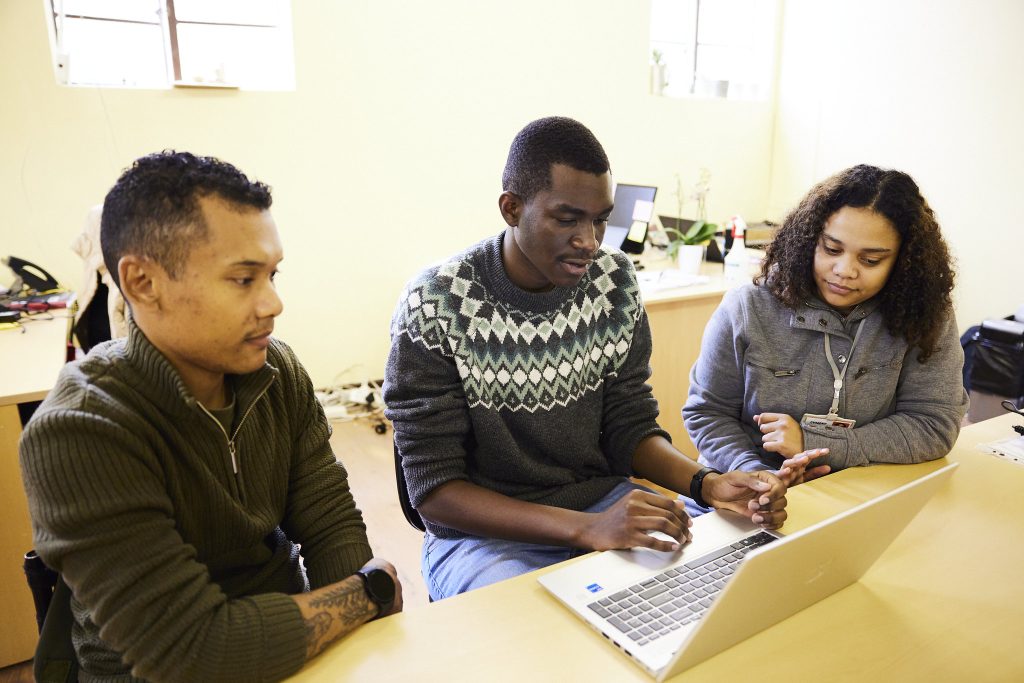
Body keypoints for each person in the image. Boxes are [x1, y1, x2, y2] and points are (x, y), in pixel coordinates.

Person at [383, 116, 814, 601]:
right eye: (567, 219)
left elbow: (629, 426)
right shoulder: (437, 302)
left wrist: (706, 484)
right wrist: (586, 529)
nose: (589, 241)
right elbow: (435, 494)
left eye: (600, 219)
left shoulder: (613, 280)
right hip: (484, 540)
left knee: (729, 580)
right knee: (524, 647)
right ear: (511, 208)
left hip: (603, 506)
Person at [19, 151, 402, 682]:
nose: (273, 304)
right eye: (244, 280)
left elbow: (329, 520)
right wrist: (368, 593)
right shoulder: (81, 430)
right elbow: (192, 653)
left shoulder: (277, 371)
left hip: (299, 648)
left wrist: (361, 636)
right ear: (142, 283)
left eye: (272, 275)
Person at [683, 164, 968, 488]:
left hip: (858, 492)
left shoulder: (924, 316)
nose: (844, 270)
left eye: (870, 260)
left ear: (903, 261)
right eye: (832, 249)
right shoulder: (747, 308)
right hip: (738, 494)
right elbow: (706, 413)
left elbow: (933, 424)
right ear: (808, 239)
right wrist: (755, 474)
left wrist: (816, 444)